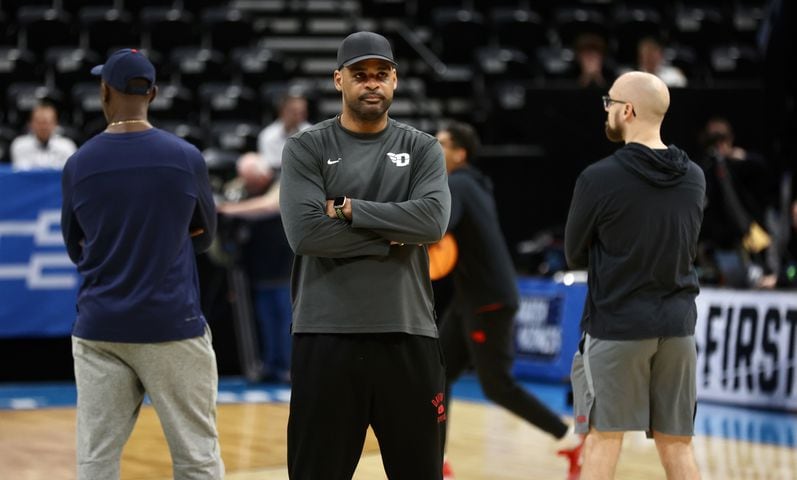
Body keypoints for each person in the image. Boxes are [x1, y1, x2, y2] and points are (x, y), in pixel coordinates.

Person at [279, 31, 451, 479]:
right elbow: (307, 235)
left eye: (381, 74)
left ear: (395, 80)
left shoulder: (422, 148)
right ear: (339, 80)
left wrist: (351, 209)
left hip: (408, 333)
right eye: (360, 75)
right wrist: (394, 235)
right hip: (326, 334)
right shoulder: (307, 147)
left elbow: (432, 223)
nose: (371, 83)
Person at [60, 48, 224, 479]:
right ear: (152, 93)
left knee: (96, 460)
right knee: (196, 457)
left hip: (100, 329)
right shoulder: (186, 158)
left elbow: (75, 247)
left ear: (104, 91)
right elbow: (206, 236)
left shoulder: (79, 165)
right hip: (171, 325)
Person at [564, 71, 705, 479]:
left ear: (627, 110)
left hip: (617, 325)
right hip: (678, 329)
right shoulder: (694, 177)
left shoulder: (598, 177)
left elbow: (574, 252)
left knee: (602, 442)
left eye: (609, 103)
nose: (605, 110)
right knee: (677, 446)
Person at [435, 121, 583, 480]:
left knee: (497, 386)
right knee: (433, 372)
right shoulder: (472, 184)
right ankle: (433, 460)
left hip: (488, 300)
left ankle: (571, 438)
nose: (434, 149)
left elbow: (438, 225)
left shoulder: (457, 185)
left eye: (441, 144)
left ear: (460, 153)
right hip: (472, 297)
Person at [217, 152, 293, 383]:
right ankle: (269, 366)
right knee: (265, 321)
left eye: (252, 180)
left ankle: (289, 368)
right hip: (259, 267)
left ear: (263, 175)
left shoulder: (282, 181)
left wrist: (227, 209)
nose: (249, 185)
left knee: (286, 322)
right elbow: (228, 194)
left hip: (285, 268)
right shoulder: (241, 188)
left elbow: (269, 206)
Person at [696, 116, 776, 288]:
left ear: (730, 139)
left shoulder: (743, 164)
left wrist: (740, 157)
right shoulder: (702, 170)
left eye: (722, 139)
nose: (719, 145)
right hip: (714, 247)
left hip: (746, 244)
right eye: (713, 140)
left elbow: (765, 171)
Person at [10, 101, 77, 170]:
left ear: (55, 124)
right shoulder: (19, 145)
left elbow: (67, 175)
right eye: (39, 122)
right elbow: (22, 175)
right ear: (31, 124)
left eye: (46, 122)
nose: (43, 127)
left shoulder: (67, 146)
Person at [258, 92, 312, 171]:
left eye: (303, 112)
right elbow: (268, 165)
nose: (300, 116)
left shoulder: (313, 133)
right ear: (283, 111)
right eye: (295, 112)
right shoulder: (267, 135)